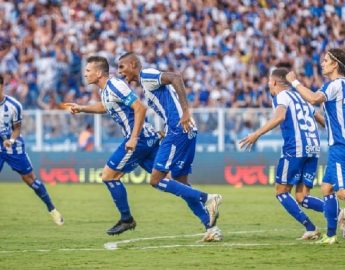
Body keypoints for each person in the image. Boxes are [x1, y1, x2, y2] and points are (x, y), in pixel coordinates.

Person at [118, 52, 222, 242]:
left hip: (179, 128)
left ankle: (208, 198)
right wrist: (165, 129)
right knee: (180, 183)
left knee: (156, 180)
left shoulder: (146, 76)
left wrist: (185, 111)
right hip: (184, 129)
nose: (120, 72)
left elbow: (175, 77)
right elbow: (169, 104)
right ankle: (211, 227)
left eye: (122, 67)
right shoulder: (147, 85)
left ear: (133, 64)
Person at [67, 56, 160, 235]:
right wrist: (82, 108)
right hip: (144, 138)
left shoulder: (115, 85)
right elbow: (106, 107)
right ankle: (206, 202)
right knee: (166, 179)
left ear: (99, 73)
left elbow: (140, 108)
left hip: (138, 139)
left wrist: (133, 138)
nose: (85, 74)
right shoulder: (106, 90)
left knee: (108, 176)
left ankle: (127, 219)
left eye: (88, 71)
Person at [239, 67, 325, 241]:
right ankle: (339, 213)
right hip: (314, 148)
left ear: (275, 82)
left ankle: (310, 227)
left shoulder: (282, 96)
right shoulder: (302, 96)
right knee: (302, 196)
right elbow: (322, 120)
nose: (268, 85)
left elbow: (279, 117)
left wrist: (257, 134)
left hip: (295, 148)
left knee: (281, 191)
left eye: (269, 82)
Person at [286, 48, 345, 244]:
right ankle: (330, 235)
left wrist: (294, 82)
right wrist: (314, 114)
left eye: (325, 60)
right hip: (337, 144)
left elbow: (313, 98)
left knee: (341, 192)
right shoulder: (340, 86)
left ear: (335, 64)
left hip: (340, 145)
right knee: (326, 188)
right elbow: (332, 121)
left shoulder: (335, 84)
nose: (322, 63)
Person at [0, 74, 63, 225]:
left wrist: (12, 141)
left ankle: (52, 209)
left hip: (13, 147)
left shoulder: (14, 106)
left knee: (29, 179)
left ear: (2, 86)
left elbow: (17, 128)